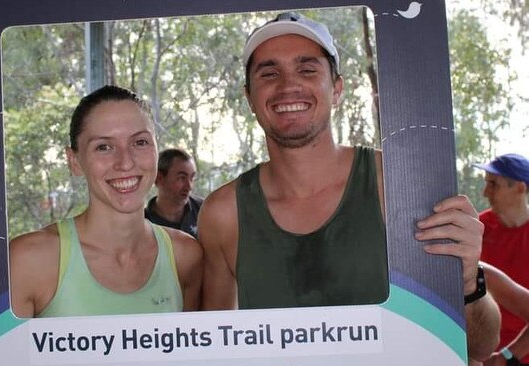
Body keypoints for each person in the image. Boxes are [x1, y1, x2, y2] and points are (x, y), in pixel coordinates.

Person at [197, 11, 499, 361]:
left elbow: (479, 346)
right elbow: (213, 350)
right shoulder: (224, 213)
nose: (287, 85)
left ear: (337, 88)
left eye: (307, 69)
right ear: (249, 97)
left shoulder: (401, 182)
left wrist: (466, 281)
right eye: (269, 73)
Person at [0, 85, 203, 365]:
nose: (125, 162)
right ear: (74, 161)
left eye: (139, 142)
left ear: (155, 150)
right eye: (103, 147)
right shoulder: (31, 260)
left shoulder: (186, 256)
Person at [474, 153, 529, 365]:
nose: (485, 192)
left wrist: (508, 356)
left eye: (493, 185)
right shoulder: (479, 228)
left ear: (520, 188)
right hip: (481, 355)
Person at [144, 148, 203, 238]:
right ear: (158, 178)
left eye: (192, 178)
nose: (189, 187)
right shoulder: (142, 222)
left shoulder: (205, 211)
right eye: (182, 178)